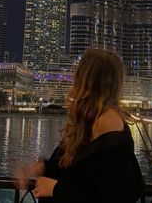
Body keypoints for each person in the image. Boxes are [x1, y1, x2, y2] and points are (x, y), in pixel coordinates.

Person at [16, 49, 144, 203]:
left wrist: (57, 189)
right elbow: (74, 166)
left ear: (86, 80)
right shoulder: (91, 118)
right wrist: (42, 167)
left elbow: (118, 193)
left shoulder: (110, 127)